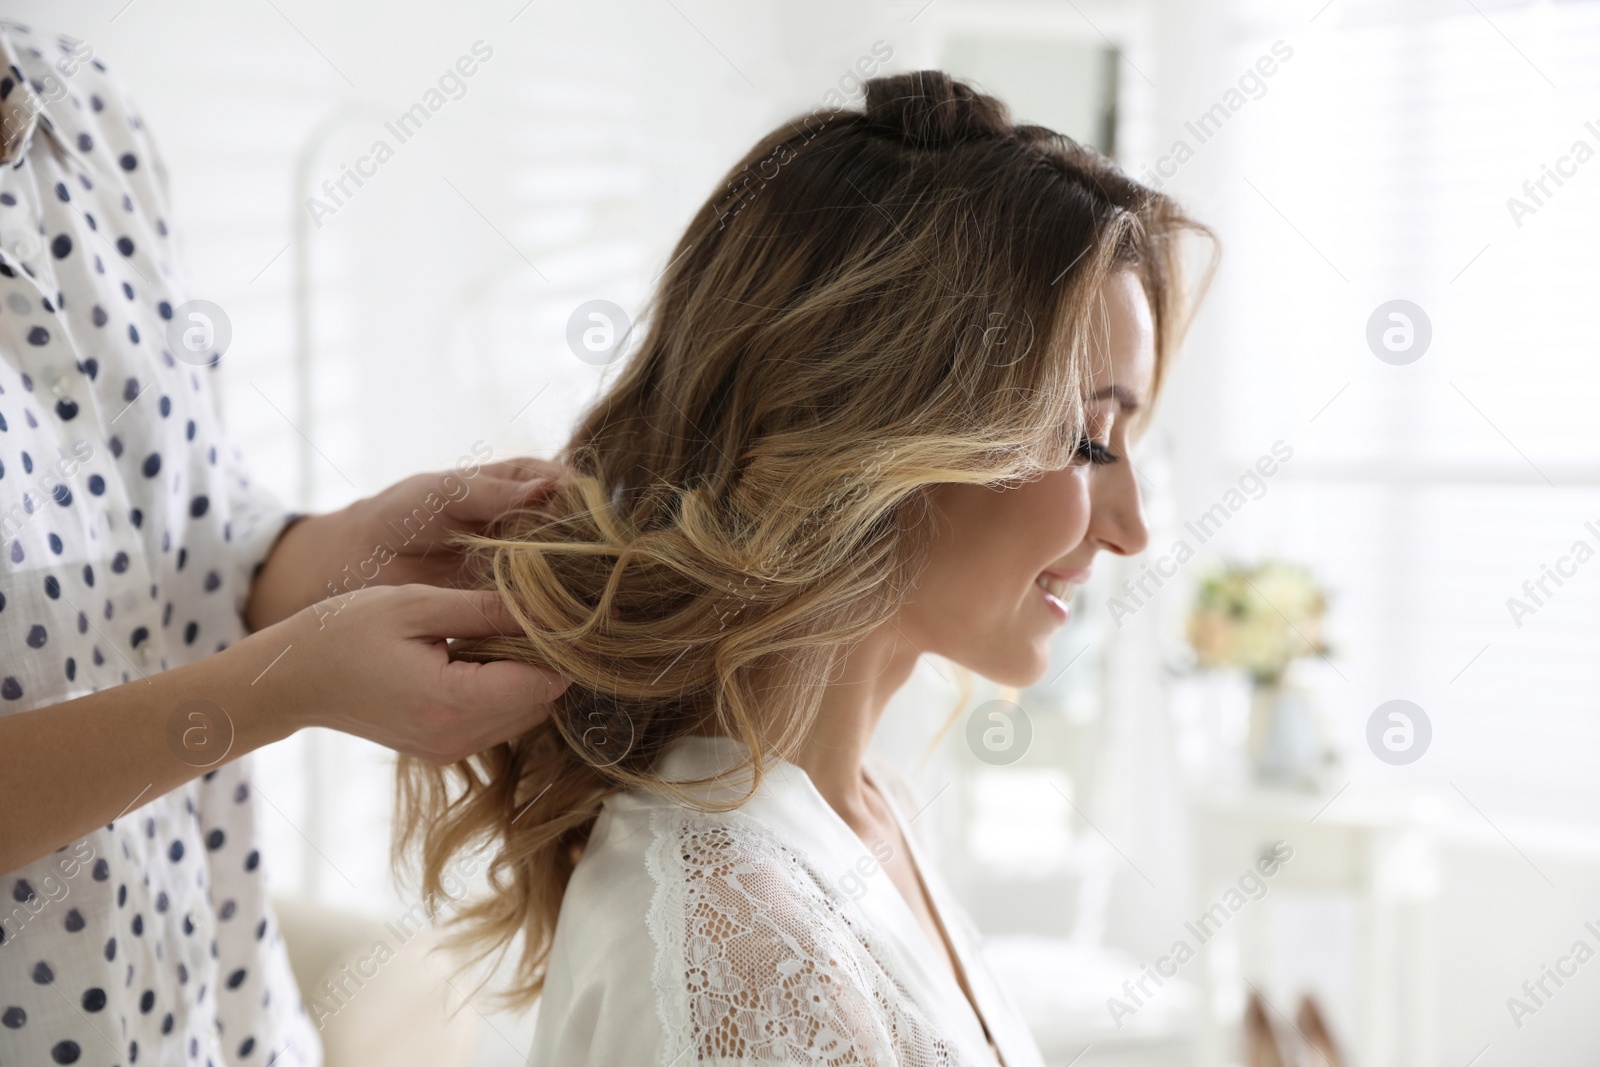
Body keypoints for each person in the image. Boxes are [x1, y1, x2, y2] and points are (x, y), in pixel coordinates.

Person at [397, 71, 1215, 1065]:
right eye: (1087, 439)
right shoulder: (749, 945)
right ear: (880, 431)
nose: (1128, 529)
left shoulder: (861, 813)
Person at [0, 21, 567, 1067]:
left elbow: (181, 532)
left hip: (226, 1019)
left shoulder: (78, 102)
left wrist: (352, 550)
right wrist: (272, 690)